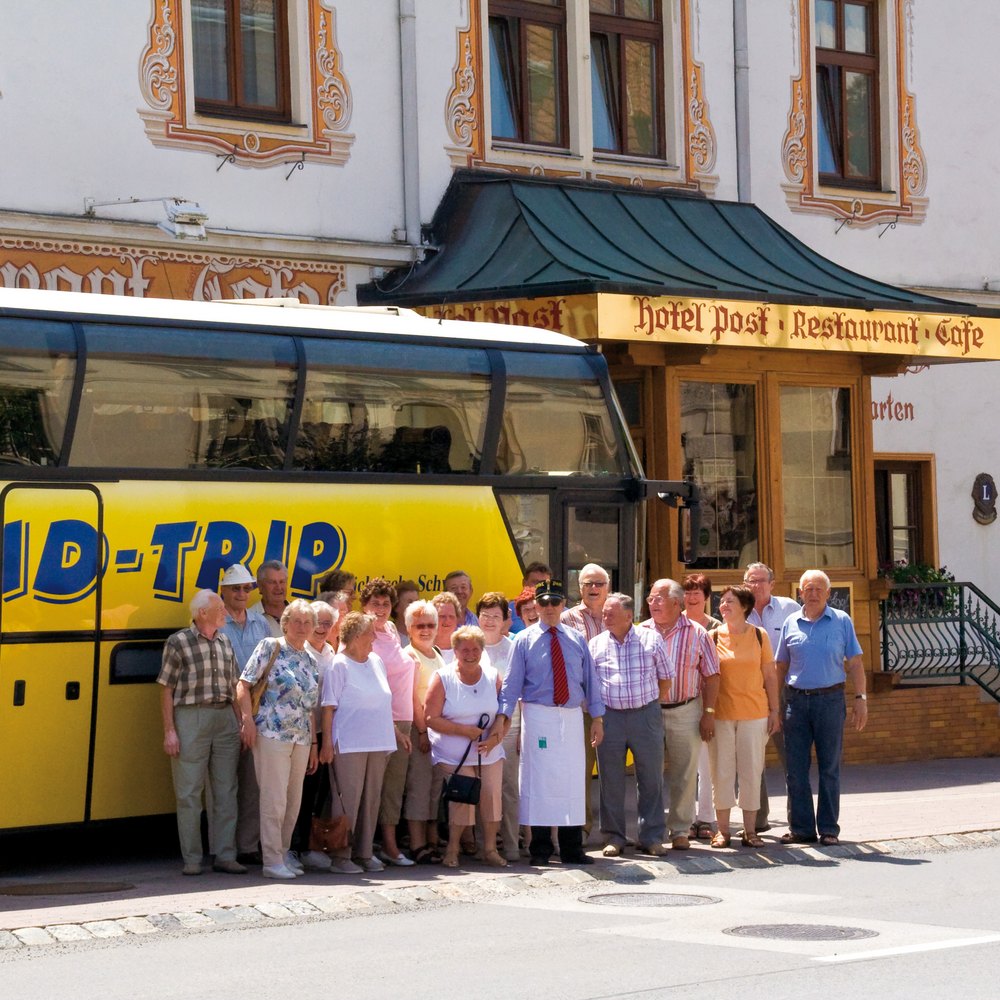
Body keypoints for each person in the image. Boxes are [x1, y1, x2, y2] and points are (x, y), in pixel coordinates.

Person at [489, 580, 604, 866]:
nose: (550, 608)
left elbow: (590, 680)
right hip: (538, 715)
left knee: (572, 780)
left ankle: (571, 847)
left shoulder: (577, 639)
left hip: (571, 715)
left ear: (563, 604)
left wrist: (598, 718)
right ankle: (540, 848)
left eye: (555, 602)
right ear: (536, 606)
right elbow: (512, 683)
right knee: (538, 780)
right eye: (544, 602)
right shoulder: (524, 640)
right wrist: (503, 717)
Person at [157, 590, 247, 876]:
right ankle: (192, 859)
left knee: (226, 790)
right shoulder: (178, 642)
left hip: (224, 717)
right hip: (190, 717)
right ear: (202, 613)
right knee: (189, 792)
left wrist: (240, 722)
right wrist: (169, 730)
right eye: (219, 608)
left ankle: (225, 855)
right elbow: (166, 688)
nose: (224, 612)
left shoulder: (225, 641)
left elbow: (235, 685)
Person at [776, 570, 867, 847]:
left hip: (830, 701)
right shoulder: (790, 622)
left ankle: (828, 828)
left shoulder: (841, 620)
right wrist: (774, 705)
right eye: (807, 589)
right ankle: (801, 828)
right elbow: (781, 666)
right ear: (800, 593)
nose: (813, 593)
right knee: (795, 769)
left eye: (818, 589)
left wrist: (861, 698)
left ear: (828, 593)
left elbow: (855, 663)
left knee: (829, 767)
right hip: (795, 702)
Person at [236, 600, 319, 879]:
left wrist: (314, 745)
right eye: (296, 621)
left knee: (293, 800)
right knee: (274, 799)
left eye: (308, 622)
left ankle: (283, 853)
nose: (302, 627)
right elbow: (243, 684)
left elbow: (309, 705)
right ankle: (271, 860)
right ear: (285, 624)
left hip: (301, 737)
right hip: (271, 732)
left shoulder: (310, 659)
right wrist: (247, 720)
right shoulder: (270, 647)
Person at [319, 611, 406, 873]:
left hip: (378, 741)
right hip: (348, 743)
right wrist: (325, 745)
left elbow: (382, 700)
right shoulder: (339, 664)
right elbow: (328, 707)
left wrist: (396, 732)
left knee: (371, 801)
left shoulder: (377, 660)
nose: (375, 638)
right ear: (356, 636)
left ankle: (365, 853)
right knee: (347, 802)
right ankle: (341, 856)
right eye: (371, 633)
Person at [590, 593, 674, 857]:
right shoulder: (595, 644)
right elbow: (591, 686)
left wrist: (648, 706)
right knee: (610, 780)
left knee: (651, 778)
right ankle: (614, 837)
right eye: (604, 612)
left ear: (628, 616)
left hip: (645, 715)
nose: (605, 616)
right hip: (609, 718)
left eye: (610, 612)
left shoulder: (651, 639)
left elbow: (666, 678)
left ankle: (651, 837)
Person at [640, 579, 720, 850]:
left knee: (684, 774)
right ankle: (650, 830)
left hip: (686, 709)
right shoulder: (640, 632)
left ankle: (680, 830)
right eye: (650, 599)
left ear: (677, 603)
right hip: (648, 712)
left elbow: (712, 675)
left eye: (659, 598)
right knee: (648, 773)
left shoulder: (697, 632)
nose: (653, 604)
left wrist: (708, 713)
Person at [425, 626, 506, 868]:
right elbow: (430, 718)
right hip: (453, 753)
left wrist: (494, 738)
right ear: (456, 651)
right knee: (461, 798)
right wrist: (464, 731)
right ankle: (452, 849)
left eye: (475, 649)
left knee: (491, 796)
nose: (470, 654)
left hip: (488, 751)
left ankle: (489, 849)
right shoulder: (443, 677)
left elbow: (503, 713)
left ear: (482, 650)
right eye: (464, 649)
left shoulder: (493, 676)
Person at [706, 585, 780, 849]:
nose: (723, 606)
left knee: (751, 773)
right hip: (721, 715)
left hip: (755, 714)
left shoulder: (760, 636)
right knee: (721, 773)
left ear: (745, 606)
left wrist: (775, 710)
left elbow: (770, 676)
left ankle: (750, 831)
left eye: (729, 602)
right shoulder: (712, 636)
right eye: (722, 602)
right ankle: (722, 831)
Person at [361, 578, 417, 868]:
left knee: (393, 789)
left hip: (403, 718)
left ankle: (389, 845)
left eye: (385, 604)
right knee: (371, 788)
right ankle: (365, 846)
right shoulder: (362, 633)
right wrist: (392, 726)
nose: (380, 609)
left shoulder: (394, 630)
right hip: (379, 721)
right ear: (364, 607)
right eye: (375, 604)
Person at [218, 563, 272, 865]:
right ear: (223, 591)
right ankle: (222, 847)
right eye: (235, 588)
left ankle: (248, 846)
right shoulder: (216, 621)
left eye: (246, 588)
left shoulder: (260, 624)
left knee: (252, 783)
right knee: (224, 784)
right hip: (225, 708)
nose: (242, 593)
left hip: (255, 710)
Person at [744, 561, 800, 833]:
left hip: (785, 694)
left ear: (772, 583)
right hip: (749, 695)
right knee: (753, 762)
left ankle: (797, 822)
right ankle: (758, 820)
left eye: (760, 581)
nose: (755, 586)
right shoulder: (738, 611)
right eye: (751, 581)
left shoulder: (789, 608)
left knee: (792, 759)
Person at [561, 562, 610, 838]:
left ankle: (613, 829)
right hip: (583, 708)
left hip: (615, 704)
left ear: (608, 587)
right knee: (581, 770)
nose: (593, 589)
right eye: (588, 584)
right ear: (579, 588)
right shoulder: (567, 619)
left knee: (612, 770)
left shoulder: (618, 614)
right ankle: (582, 827)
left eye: (598, 584)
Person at [292, 600, 340, 873]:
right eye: (317, 622)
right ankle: (294, 847)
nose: (322, 628)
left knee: (317, 796)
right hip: (304, 734)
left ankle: (309, 847)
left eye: (327, 623)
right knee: (300, 793)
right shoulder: (302, 652)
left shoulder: (331, 652)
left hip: (325, 733)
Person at [477, 592, 521, 862]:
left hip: (510, 726)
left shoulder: (514, 648)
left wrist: (519, 729)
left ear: (506, 620)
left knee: (508, 788)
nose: (490, 621)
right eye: (485, 615)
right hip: (477, 730)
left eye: (496, 616)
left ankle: (513, 843)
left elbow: (520, 693)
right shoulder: (470, 644)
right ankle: (484, 844)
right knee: (482, 788)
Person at [402, 599, 446, 864]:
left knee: (434, 788)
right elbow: (411, 698)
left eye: (430, 624)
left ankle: (432, 839)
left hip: (440, 733)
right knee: (419, 788)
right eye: (419, 625)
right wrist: (421, 731)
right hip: (422, 731)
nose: (426, 630)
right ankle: (418, 844)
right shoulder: (410, 655)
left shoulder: (437, 653)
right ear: (409, 628)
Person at [682, 572, 722, 841]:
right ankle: (684, 819)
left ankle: (706, 817)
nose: (692, 597)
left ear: (707, 597)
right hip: (682, 700)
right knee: (685, 763)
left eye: (697, 592)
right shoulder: (675, 623)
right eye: (688, 592)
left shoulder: (717, 628)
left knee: (707, 763)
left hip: (709, 701)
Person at [509, 562, 551, 633]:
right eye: (536, 582)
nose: (540, 586)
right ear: (524, 583)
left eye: (544, 583)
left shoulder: (560, 611)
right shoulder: (506, 610)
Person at [255, 560, 289, 637]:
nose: (278, 587)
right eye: (272, 582)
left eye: (282, 582)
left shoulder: (301, 614)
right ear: (260, 586)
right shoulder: (249, 618)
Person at [431, 591, 462, 663]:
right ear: (432, 618)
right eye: (442, 616)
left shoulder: (465, 650)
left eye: (451, 616)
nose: (447, 620)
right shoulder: (422, 649)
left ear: (457, 619)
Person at [392, 580, 420, 646]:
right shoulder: (389, 636)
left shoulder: (425, 633)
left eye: (416, 601)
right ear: (396, 607)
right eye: (410, 602)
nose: (415, 606)